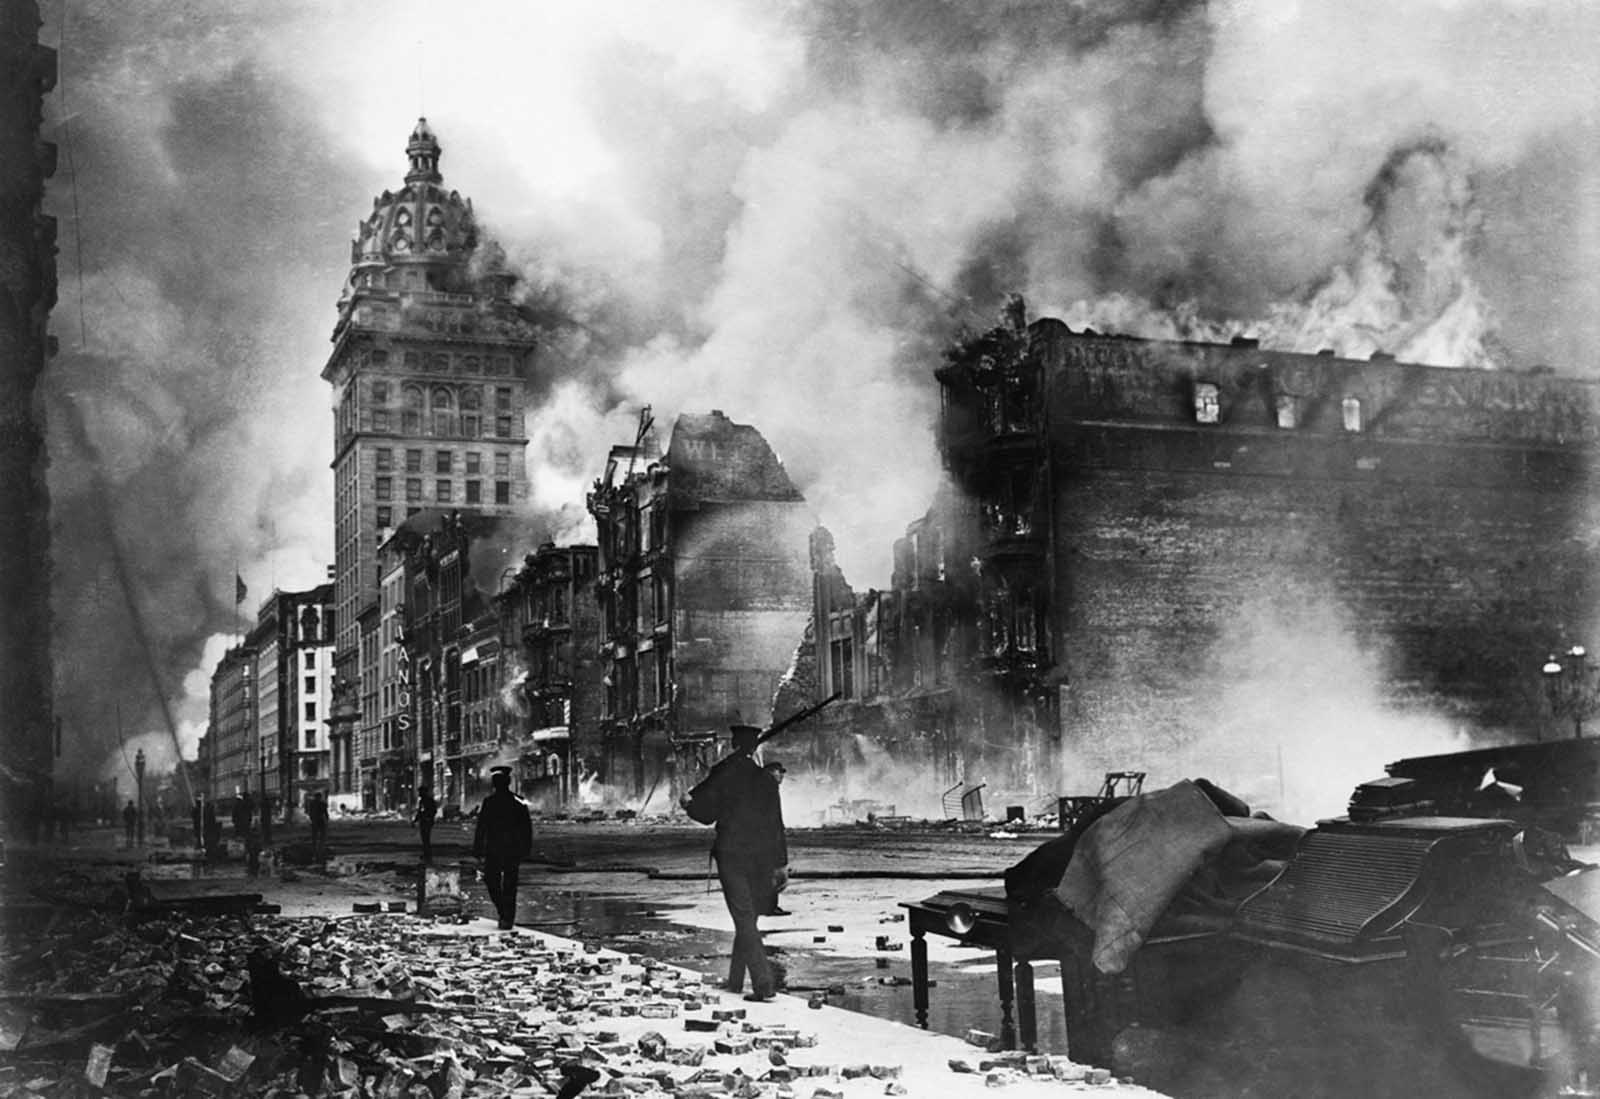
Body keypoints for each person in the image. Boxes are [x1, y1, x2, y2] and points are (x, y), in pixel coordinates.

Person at [681, 725, 789, 1001]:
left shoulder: (723, 775)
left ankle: (763, 986)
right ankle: (735, 981)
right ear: (754, 748)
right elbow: (776, 824)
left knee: (743, 919)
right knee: (748, 917)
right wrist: (781, 864)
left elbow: (706, 814)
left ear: (733, 745)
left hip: (731, 854)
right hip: (761, 858)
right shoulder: (766, 780)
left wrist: (688, 804)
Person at [472, 766, 532, 930]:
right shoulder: (517, 801)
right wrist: (526, 848)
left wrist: (477, 848)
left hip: (496, 849)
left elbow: (481, 827)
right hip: (511, 849)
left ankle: (504, 915)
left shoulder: (490, 802)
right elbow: (527, 828)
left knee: (493, 881)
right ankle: (506, 915)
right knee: (509, 885)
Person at [760, 762, 793, 917]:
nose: (782, 776)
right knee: (772, 872)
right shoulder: (769, 787)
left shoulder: (766, 786)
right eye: (780, 772)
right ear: (771, 772)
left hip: (770, 835)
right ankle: (769, 906)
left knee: (770, 873)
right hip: (770, 837)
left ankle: (768, 906)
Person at [413, 784, 439, 861]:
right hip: (424, 821)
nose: (419, 794)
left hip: (427, 822)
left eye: (420, 792)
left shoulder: (429, 800)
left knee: (426, 839)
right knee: (424, 839)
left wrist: (428, 817)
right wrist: (416, 820)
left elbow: (433, 811)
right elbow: (420, 812)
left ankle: (427, 855)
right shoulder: (422, 801)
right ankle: (426, 854)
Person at [307, 791, 329, 861]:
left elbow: (310, 812)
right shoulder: (322, 803)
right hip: (320, 820)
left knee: (315, 834)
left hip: (316, 820)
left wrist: (311, 818)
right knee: (321, 834)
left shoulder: (312, 803)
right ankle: (320, 848)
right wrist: (327, 818)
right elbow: (325, 812)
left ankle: (315, 847)